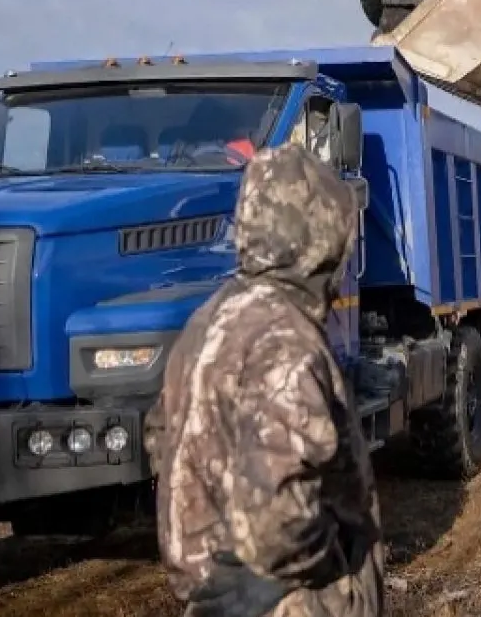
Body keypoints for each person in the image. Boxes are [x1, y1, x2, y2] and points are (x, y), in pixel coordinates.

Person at [143, 144, 387, 616]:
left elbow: (161, 437)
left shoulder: (209, 320)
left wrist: (213, 546)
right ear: (320, 236)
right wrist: (321, 573)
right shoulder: (285, 339)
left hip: (213, 595)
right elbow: (279, 519)